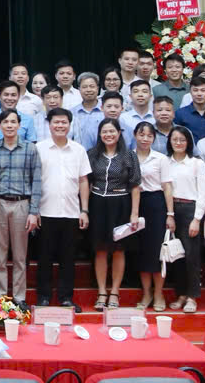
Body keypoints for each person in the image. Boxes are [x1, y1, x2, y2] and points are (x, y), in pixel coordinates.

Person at [36, 108, 91, 310]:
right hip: (44, 212)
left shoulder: (79, 150)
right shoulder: (39, 148)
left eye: (64, 122)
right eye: (56, 122)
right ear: (49, 125)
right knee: (44, 258)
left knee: (68, 259)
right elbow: (33, 180)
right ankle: (43, 297)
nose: (60, 125)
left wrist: (84, 210)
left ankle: (66, 298)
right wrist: (34, 210)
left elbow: (83, 180)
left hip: (71, 212)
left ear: (69, 125)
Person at [0, 109, 41, 305]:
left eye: (13, 122)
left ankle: (19, 298)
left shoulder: (30, 148)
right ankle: (0, 298)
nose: (9, 125)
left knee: (20, 255)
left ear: (19, 125)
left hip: (22, 204)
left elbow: (37, 181)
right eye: (5, 122)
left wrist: (34, 212)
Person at [86, 117, 139, 311]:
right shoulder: (92, 154)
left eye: (112, 131)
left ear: (119, 133)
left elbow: (135, 185)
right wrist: (84, 209)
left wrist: (134, 213)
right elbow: (86, 182)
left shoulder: (129, 155)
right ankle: (101, 292)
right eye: (104, 132)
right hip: (97, 204)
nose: (108, 135)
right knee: (100, 249)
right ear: (100, 134)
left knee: (118, 249)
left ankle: (115, 292)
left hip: (121, 204)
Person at [164, 125, 205, 313]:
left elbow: (203, 193)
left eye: (182, 140)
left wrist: (197, 219)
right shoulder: (165, 162)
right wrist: (169, 214)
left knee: (192, 255)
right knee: (176, 255)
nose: (178, 143)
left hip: (191, 210)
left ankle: (192, 296)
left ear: (189, 142)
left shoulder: (197, 163)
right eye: (175, 139)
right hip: (171, 210)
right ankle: (180, 294)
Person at [132, 121, 173, 311]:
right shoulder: (129, 156)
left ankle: (158, 293)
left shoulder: (160, 158)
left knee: (157, 251)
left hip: (156, 205)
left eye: (149, 136)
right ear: (135, 135)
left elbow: (167, 186)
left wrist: (170, 214)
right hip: (135, 205)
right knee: (141, 251)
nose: (145, 139)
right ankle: (146, 293)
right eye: (141, 135)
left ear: (154, 138)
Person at [68, 74, 104, 147]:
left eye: (92, 86)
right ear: (79, 89)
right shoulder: (72, 113)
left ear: (97, 88)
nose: (88, 90)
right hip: (79, 152)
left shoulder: (106, 110)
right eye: (84, 87)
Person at [120, 80, 157, 147]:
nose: (140, 95)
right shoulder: (123, 118)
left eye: (144, 91)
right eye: (136, 91)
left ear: (150, 96)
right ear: (130, 96)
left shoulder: (156, 118)